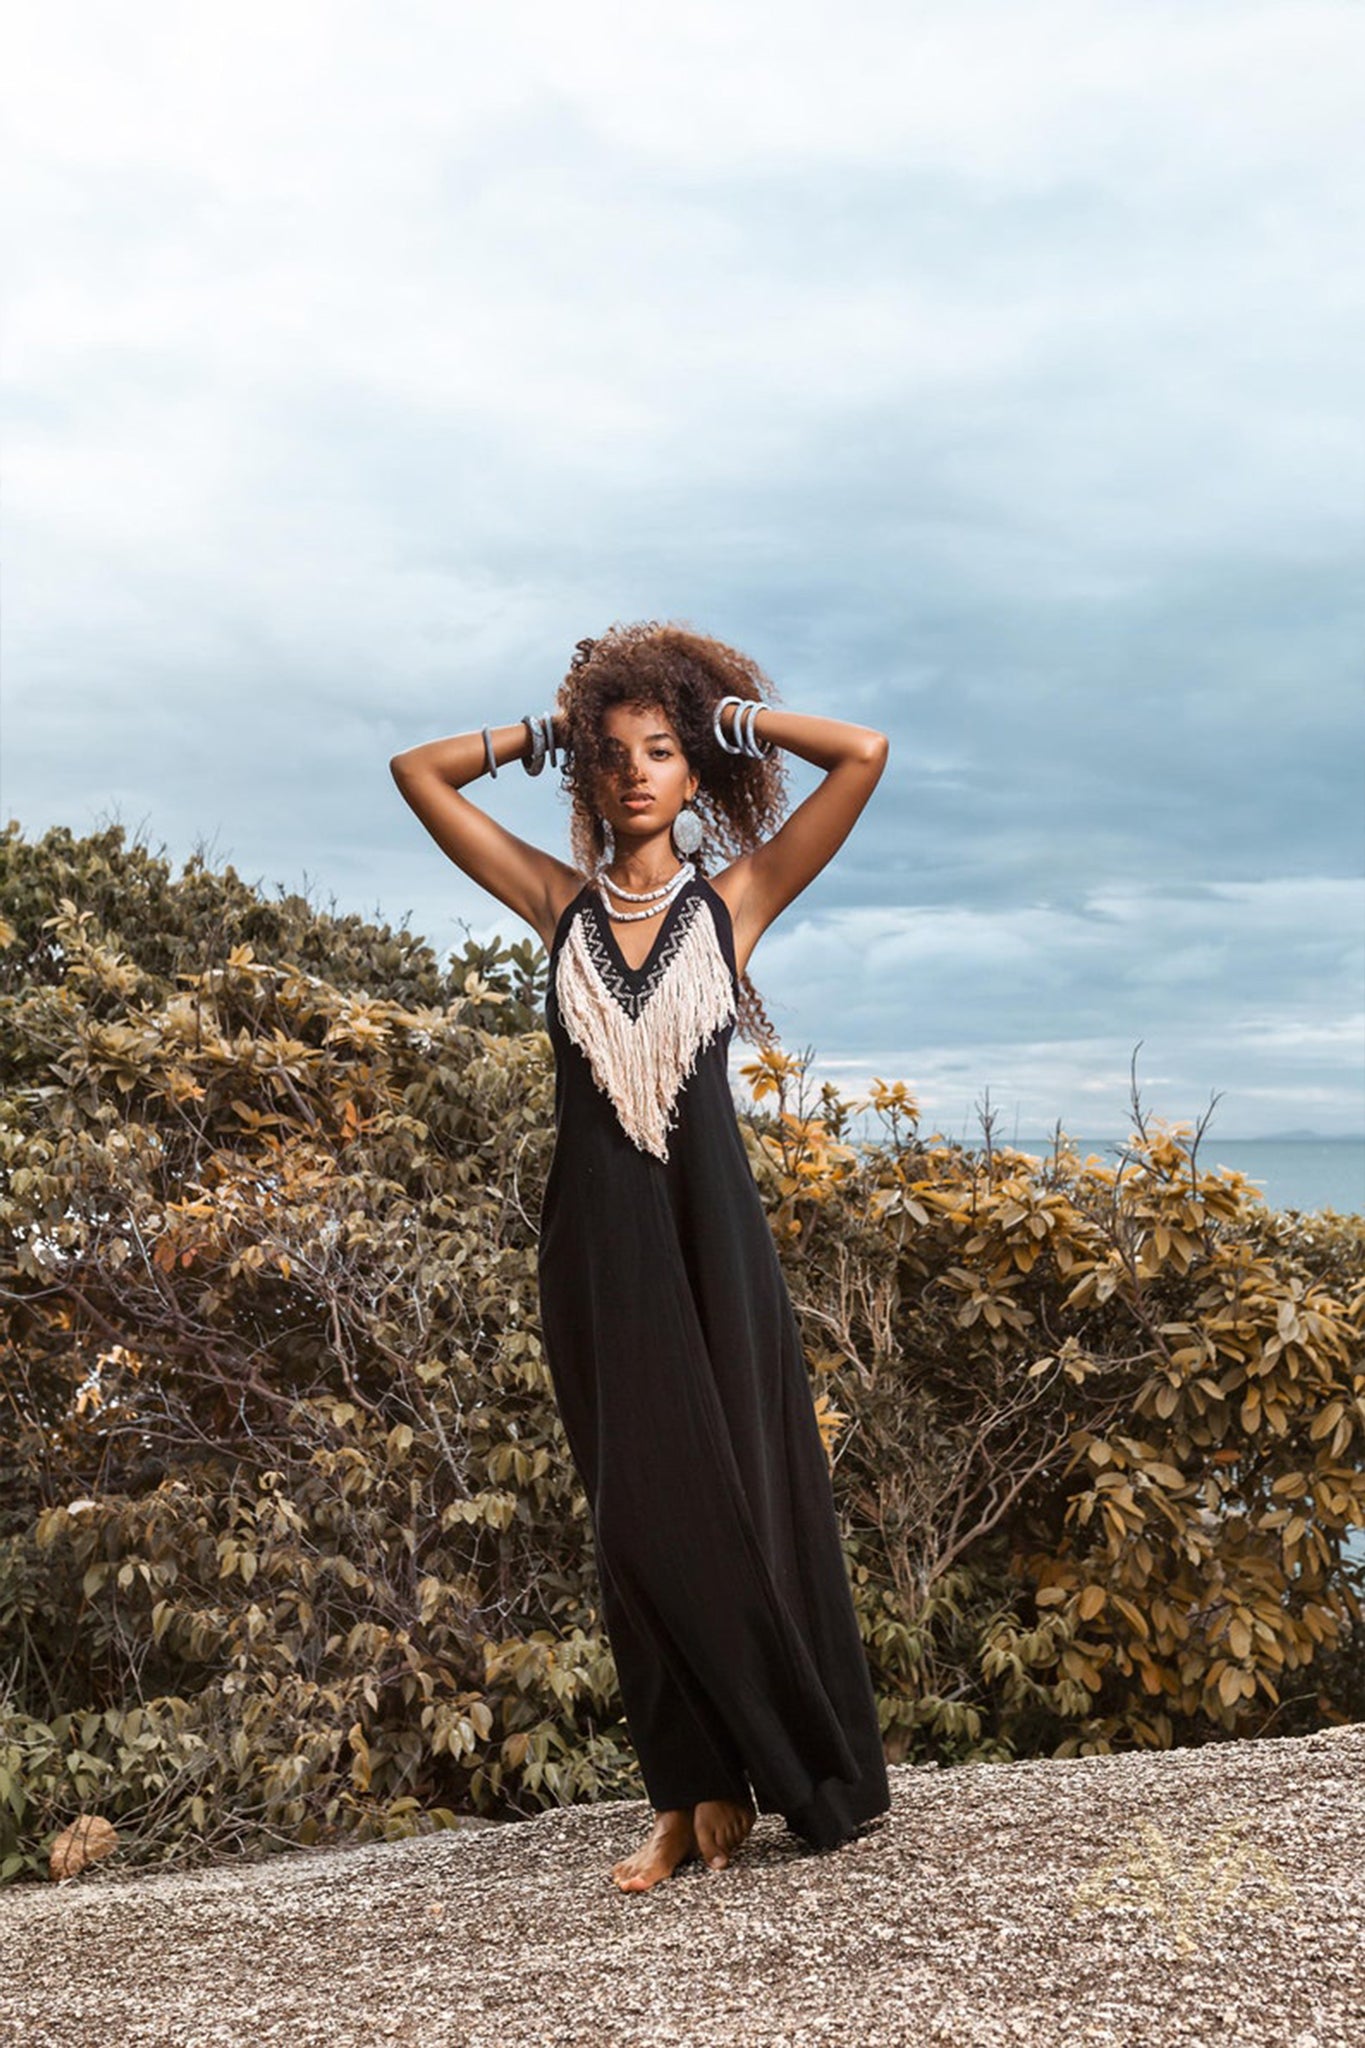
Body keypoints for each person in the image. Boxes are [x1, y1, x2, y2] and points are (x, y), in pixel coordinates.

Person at [390, 620, 892, 1891]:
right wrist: (539, 733)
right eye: (609, 755)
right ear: (586, 777)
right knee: (637, 1521)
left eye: (657, 751)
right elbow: (417, 771)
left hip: (715, 1244)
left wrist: (734, 721)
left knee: (747, 1495)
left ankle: (790, 1768)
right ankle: (688, 1792)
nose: (632, 774)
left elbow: (863, 754)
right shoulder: (554, 903)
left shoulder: (736, 903)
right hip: (599, 1250)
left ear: (690, 773)